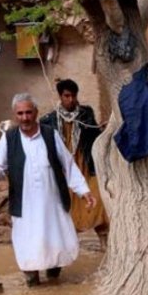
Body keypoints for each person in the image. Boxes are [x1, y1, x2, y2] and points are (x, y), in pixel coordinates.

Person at [0, 93, 95, 287]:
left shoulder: (50, 134)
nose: (25, 118)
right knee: (28, 244)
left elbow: (68, 165)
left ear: (36, 112)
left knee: (55, 243)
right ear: (15, 115)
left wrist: (83, 190)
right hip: (24, 204)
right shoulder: (8, 139)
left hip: (52, 202)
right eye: (20, 113)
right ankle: (32, 281)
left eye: (28, 112)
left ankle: (54, 278)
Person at [40, 79, 109, 249]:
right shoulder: (49, 120)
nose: (70, 99)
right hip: (63, 169)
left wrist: (104, 130)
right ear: (60, 96)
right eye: (66, 96)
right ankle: (66, 246)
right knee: (64, 206)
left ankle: (104, 242)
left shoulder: (85, 114)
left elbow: (94, 136)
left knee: (97, 199)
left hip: (85, 164)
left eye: (73, 95)